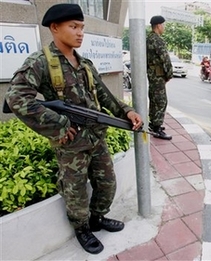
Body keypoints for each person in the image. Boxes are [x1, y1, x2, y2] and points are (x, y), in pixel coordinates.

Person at [5, 3, 143, 255]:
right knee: (75, 190)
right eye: (74, 27)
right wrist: (59, 124)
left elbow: (104, 95)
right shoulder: (40, 62)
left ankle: (97, 218)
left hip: (96, 137)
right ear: (55, 28)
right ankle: (82, 229)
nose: (80, 32)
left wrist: (127, 111)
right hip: (71, 143)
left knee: (107, 183)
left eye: (82, 27)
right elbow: (16, 99)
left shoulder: (85, 64)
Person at [146, 15, 173, 140]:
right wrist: (169, 74)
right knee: (161, 101)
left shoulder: (148, 39)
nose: (164, 27)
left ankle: (153, 124)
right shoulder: (157, 40)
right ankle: (156, 127)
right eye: (163, 25)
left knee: (154, 100)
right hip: (158, 76)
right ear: (158, 25)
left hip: (152, 75)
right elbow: (165, 59)